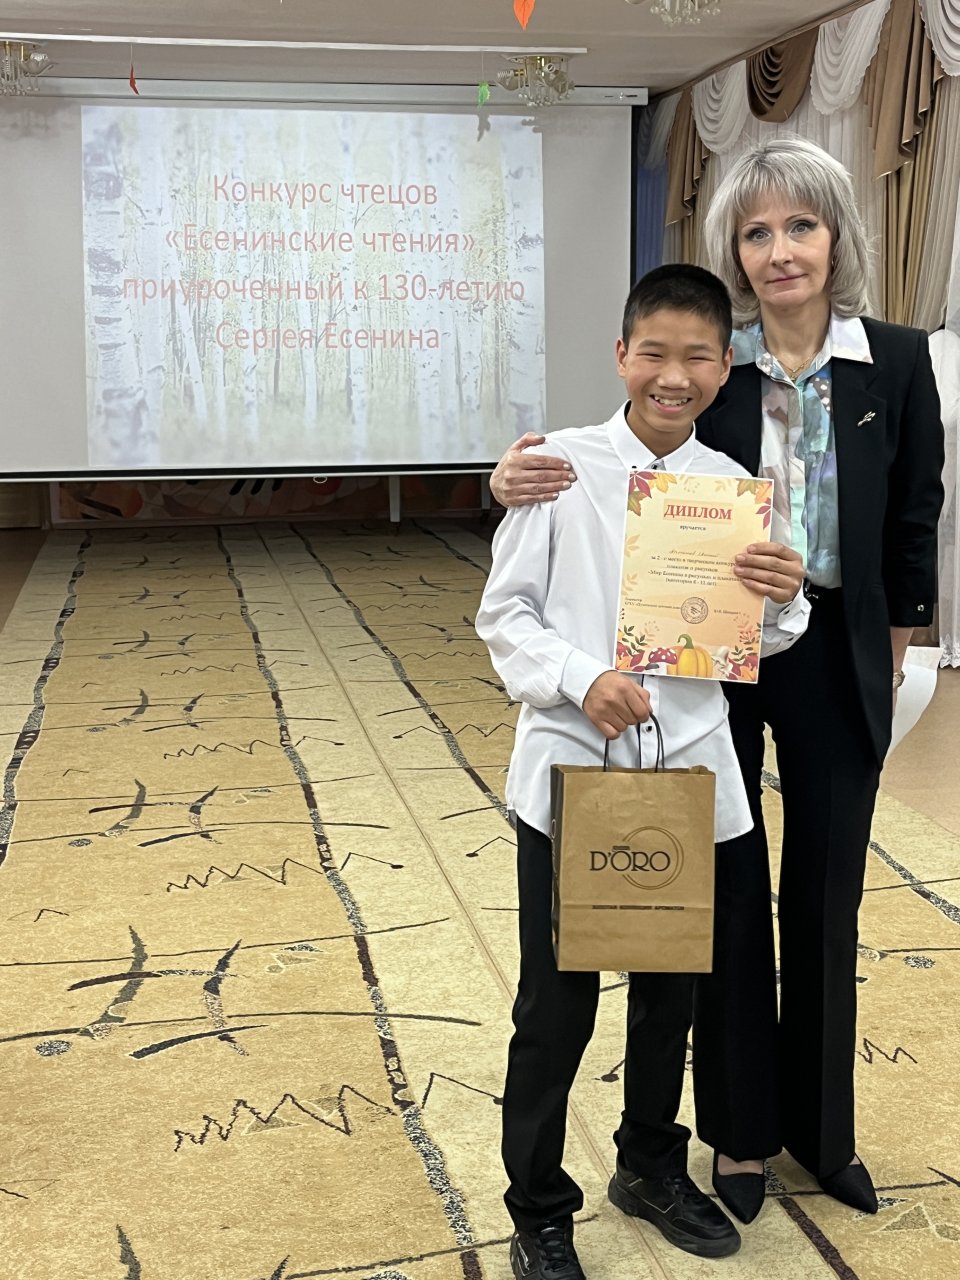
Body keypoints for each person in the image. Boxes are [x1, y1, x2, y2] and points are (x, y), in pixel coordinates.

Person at [488, 138, 945, 1226]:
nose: (780, 249)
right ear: (733, 251)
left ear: (836, 236)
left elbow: (914, 512)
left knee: (827, 893)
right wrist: (501, 479)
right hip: (704, 668)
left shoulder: (897, 358)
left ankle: (822, 1135)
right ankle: (737, 1135)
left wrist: (901, 646)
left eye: (801, 226)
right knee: (718, 906)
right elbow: (614, 474)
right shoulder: (714, 361)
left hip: (831, 646)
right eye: (756, 231)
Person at [476, 263, 809, 1279]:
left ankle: (650, 1165)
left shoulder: (730, 490)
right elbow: (504, 615)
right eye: (653, 352)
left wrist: (784, 595)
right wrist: (582, 678)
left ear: (725, 367)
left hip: (688, 777)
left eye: (697, 357)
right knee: (558, 1006)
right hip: (575, 779)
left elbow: (762, 637)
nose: (674, 375)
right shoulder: (559, 470)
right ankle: (538, 1205)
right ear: (622, 355)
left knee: (672, 996)